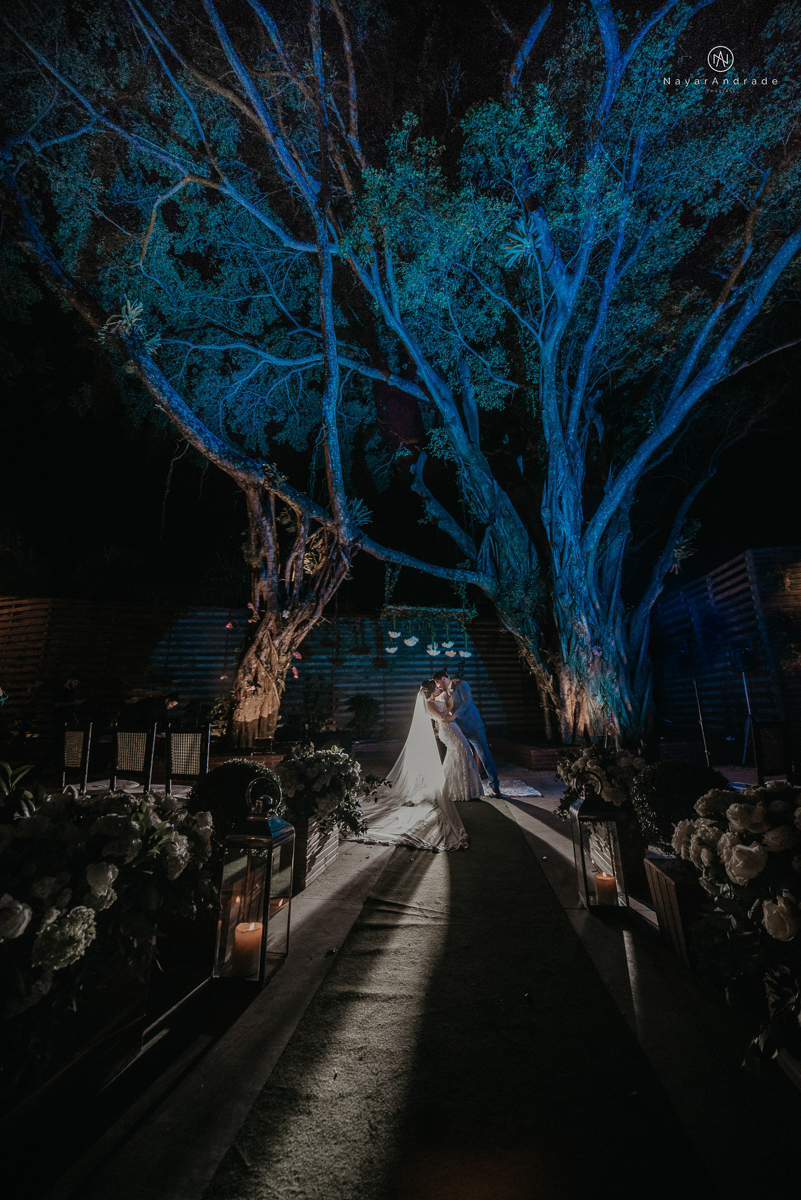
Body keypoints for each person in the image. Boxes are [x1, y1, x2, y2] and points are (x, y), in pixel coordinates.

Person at [351, 679, 480, 852]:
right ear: (430, 690)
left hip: (448, 727)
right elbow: (441, 716)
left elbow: (444, 699)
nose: (438, 689)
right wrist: (449, 706)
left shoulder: (433, 699)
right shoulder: (427, 703)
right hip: (445, 728)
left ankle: (457, 787)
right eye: (435, 688)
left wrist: (450, 691)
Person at [432, 671, 502, 798]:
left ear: (443, 678)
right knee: (462, 757)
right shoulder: (445, 693)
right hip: (458, 730)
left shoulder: (462, 684)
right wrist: (438, 719)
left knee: (484, 755)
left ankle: (495, 786)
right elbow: (437, 705)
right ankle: (465, 787)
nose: (437, 686)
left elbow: (467, 702)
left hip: (474, 726)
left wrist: (453, 716)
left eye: (437, 682)